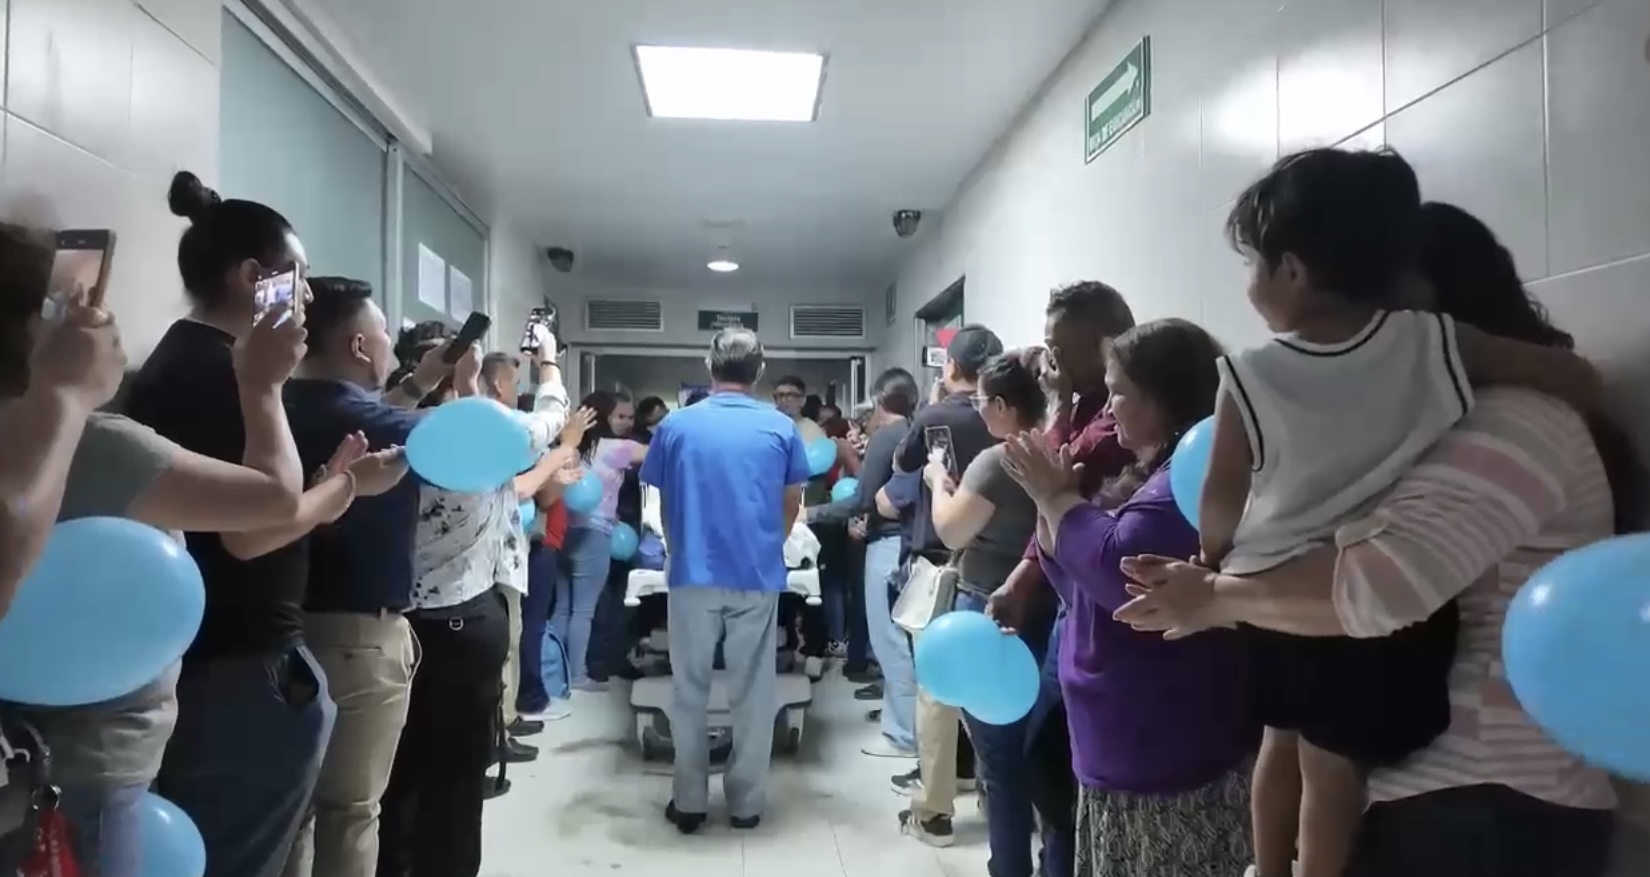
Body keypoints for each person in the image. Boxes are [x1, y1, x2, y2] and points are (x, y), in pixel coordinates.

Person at [1116, 201, 1632, 877]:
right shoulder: (1421, 418)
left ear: (1427, 306)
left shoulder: (1513, 421)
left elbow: (1381, 587)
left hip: (1485, 801)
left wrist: (1215, 593)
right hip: (1443, 795)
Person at [0, 224, 326, 877]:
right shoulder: (94, 444)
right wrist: (262, 384)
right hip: (78, 785)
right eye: (75, 305)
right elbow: (273, 501)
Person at [125, 172, 397, 877]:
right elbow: (252, 531)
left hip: (212, 654)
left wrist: (322, 483)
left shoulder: (180, 361)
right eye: (296, 279)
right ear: (254, 278)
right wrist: (346, 486)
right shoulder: (226, 377)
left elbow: (244, 504)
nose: (306, 298)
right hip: (241, 663)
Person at [1003, 318, 1257, 877]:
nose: (1108, 406)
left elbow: (1120, 569)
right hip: (1119, 751)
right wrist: (1051, 505)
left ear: (1165, 398)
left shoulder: (1190, 481)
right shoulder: (1146, 473)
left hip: (1168, 758)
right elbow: (1080, 585)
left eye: (1120, 392)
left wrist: (1058, 499)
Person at [376, 322, 570, 876]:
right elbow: (550, 416)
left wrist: (444, 383)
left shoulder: (386, 424)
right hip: (463, 617)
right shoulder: (480, 431)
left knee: (397, 768)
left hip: (395, 620)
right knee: (458, 775)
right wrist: (548, 359)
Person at [279, 277, 456, 877]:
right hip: (359, 639)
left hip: (279, 628)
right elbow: (475, 453)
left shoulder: (272, 405)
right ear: (359, 346)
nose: (388, 344)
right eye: (382, 333)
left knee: (293, 809)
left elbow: (368, 414)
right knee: (351, 811)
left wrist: (419, 385)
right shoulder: (385, 428)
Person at [985, 280, 1137, 877]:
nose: (1051, 360)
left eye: (1060, 348)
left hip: (1098, 612)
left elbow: (1043, 480)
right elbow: (1050, 512)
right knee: (1052, 768)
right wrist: (1022, 580)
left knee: (1055, 768)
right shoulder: (1090, 408)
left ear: (1102, 343)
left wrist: (1059, 403)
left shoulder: (1115, 422)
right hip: (1069, 605)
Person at [640, 328, 810, 835]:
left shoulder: (676, 426)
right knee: (753, 691)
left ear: (709, 365)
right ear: (760, 371)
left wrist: (680, 550)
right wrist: (768, 545)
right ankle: (746, 804)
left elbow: (664, 504)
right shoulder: (780, 427)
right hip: (756, 574)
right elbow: (791, 502)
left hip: (692, 573)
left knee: (689, 688)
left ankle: (690, 801)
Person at [920, 350, 1043, 876]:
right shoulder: (1057, 448)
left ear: (1002, 406)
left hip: (991, 610)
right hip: (1048, 608)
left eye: (981, 403)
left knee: (1001, 761)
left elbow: (951, 530)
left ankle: (1009, 866)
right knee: (1048, 762)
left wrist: (937, 484)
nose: (978, 411)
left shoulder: (997, 461)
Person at [891, 323, 1003, 846]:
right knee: (990, 683)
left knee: (937, 686)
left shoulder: (937, 415)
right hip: (1003, 568)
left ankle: (934, 812)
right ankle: (992, 791)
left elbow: (904, 462)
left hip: (942, 562)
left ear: (951, 366)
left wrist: (931, 407)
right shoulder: (1013, 417)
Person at [806, 367, 922, 753]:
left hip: (886, 544)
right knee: (904, 640)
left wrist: (810, 514)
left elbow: (861, 499)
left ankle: (903, 735)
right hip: (911, 545)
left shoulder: (888, 435)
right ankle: (903, 721)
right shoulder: (916, 429)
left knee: (889, 642)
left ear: (878, 400)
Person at [552, 390, 646, 703]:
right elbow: (661, 451)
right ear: (604, 416)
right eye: (620, 416)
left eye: (630, 417)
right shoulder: (617, 449)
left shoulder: (574, 448)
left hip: (565, 531)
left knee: (562, 607)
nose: (626, 422)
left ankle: (554, 673)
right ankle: (578, 675)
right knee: (583, 610)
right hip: (595, 535)